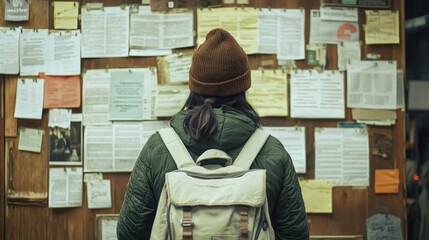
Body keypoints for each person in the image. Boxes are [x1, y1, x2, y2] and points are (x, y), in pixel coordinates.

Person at [117, 28, 309, 240]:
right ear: (243, 87)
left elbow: (130, 233)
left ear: (194, 86)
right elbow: (295, 235)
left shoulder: (158, 148)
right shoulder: (272, 151)